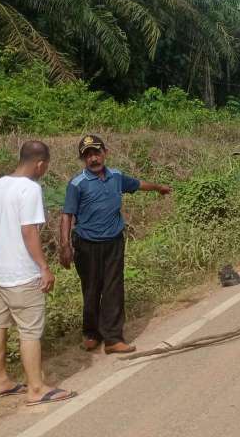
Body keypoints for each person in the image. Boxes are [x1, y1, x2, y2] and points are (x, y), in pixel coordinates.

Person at [58, 135, 171, 354]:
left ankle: (112, 339)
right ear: (83, 159)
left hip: (113, 243)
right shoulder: (77, 183)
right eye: (88, 155)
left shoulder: (116, 177)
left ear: (105, 153)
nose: (93, 159)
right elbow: (67, 215)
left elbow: (138, 184)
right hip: (86, 245)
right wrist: (65, 246)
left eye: (96, 153)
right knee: (91, 290)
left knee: (113, 289)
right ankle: (91, 333)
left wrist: (159, 187)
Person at [0, 141, 76, 405]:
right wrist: (44, 267)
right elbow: (29, 231)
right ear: (40, 163)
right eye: (45, 166)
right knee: (29, 331)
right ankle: (36, 388)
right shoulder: (30, 189)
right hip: (21, 274)